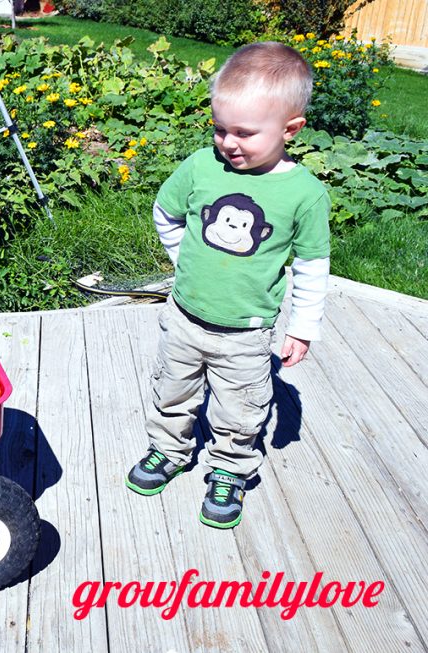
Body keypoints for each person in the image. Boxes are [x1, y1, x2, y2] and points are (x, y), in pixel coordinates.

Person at [125, 41, 331, 529]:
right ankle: (169, 450)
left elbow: (311, 266)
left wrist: (301, 327)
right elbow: (166, 213)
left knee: (241, 407)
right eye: (220, 129)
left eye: (244, 132)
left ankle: (230, 469)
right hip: (184, 315)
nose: (228, 142)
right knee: (172, 390)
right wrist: (185, 259)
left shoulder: (303, 194)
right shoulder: (201, 166)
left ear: (291, 129)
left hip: (247, 331)